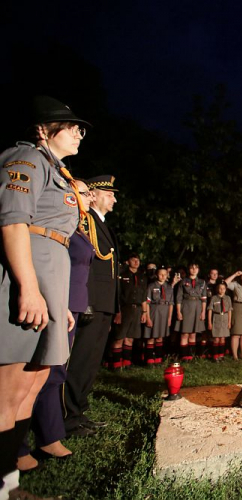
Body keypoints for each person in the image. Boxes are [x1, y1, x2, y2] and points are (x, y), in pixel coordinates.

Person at [0, 96, 86, 498]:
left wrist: (59, 305)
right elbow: (15, 223)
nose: (77, 133)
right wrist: (30, 289)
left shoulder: (58, 170)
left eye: (79, 128)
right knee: (9, 391)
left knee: (31, 388)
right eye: (69, 127)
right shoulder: (27, 159)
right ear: (42, 130)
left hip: (50, 285)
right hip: (28, 281)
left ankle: (10, 483)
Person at [16, 179, 95, 472]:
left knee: (54, 371)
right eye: (84, 192)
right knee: (32, 372)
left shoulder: (77, 228)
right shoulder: (54, 227)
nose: (87, 197)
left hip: (68, 302)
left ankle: (49, 435)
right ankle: (19, 444)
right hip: (51, 298)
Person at [64, 174, 120, 438]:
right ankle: (67, 417)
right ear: (95, 194)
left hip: (103, 304)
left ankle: (79, 411)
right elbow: (82, 264)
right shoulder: (84, 221)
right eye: (110, 194)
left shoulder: (101, 224)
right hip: (91, 303)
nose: (114, 199)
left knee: (90, 363)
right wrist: (84, 301)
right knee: (79, 361)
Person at [111, 254, 148, 368]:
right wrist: (118, 312)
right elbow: (117, 295)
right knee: (119, 337)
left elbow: (143, 296)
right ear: (128, 261)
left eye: (138, 260)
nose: (136, 262)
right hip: (124, 308)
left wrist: (144, 312)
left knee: (130, 338)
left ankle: (126, 363)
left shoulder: (142, 277)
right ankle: (116, 364)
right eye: (133, 260)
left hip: (137, 309)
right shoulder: (122, 276)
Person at [174, 263, 207, 361]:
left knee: (193, 333)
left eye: (196, 268)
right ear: (189, 270)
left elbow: (204, 299)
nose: (194, 269)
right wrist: (179, 312)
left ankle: (191, 355)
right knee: (185, 333)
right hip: (186, 306)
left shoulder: (202, 282)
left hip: (197, 306)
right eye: (192, 268)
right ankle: (184, 356)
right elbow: (178, 298)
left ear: (198, 269)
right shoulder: (183, 281)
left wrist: (203, 312)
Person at [143, 268, 175, 365]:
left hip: (164, 312)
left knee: (160, 337)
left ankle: (158, 358)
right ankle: (149, 359)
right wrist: (148, 317)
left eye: (165, 274)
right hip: (154, 311)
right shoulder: (151, 286)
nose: (163, 276)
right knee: (151, 336)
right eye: (161, 274)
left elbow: (171, 304)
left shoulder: (169, 287)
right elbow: (147, 303)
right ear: (157, 275)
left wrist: (169, 318)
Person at [207, 282, 232, 362]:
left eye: (223, 288)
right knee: (216, 339)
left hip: (224, 318)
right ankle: (215, 356)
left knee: (223, 338)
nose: (222, 290)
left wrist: (229, 322)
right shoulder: (214, 298)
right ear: (217, 289)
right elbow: (210, 309)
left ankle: (221, 355)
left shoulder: (228, 298)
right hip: (216, 318)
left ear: (225, 289)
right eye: (220, 288)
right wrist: (209, 322)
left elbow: (229, 311)